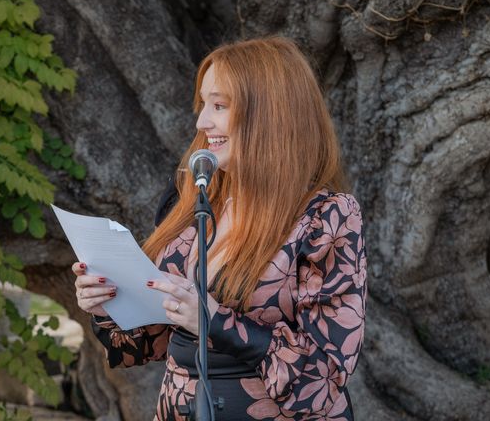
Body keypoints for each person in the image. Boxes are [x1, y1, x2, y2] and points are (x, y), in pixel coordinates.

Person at [72, 37, 367, 420]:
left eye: (219, 106)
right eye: (203, 106)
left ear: (270, 113)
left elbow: (323, 378)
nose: (201, 122)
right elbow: (150, 341)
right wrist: (107, 303)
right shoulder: (194, 198)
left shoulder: (326, 217)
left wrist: (214, 321)